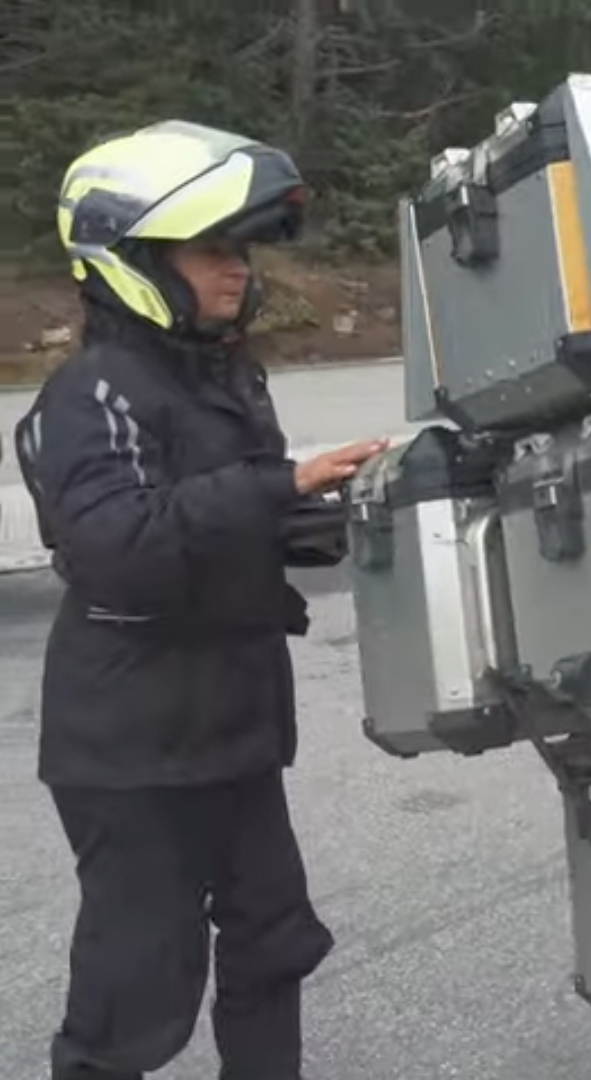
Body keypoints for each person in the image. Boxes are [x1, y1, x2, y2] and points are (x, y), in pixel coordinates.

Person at [13, 119, 390, 1080]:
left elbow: (239, 523)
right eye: (211, 248)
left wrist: (359, 510)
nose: (237, 269)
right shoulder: (92, 392)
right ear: (136, 258)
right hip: (132, 744)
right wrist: (280, 485)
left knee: (274, 941)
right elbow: (115, 545)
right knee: (136, 986)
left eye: (242, 249)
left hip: (232, 724)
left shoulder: (225, 379)